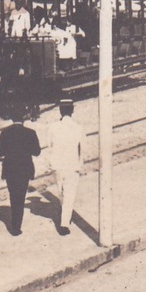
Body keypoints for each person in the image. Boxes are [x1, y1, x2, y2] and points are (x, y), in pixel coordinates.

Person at [0, 111, 41, 236]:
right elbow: (37, 152)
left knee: (13, 195)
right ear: (24, 119)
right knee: (20, 197)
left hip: (10, 169)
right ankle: (16, 227)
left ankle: (14, 225)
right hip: (24, 169)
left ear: (11, 119)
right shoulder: (30, 133)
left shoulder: (5, 133)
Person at [48, 100, 85, 235]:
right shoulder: (78, 127)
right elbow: (82, 148)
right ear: (72, 111)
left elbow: (49, 146)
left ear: (60, 111)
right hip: (72, 165)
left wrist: (51, 163)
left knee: (61, 192)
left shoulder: (53, 127)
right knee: (70, 194)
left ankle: (65, 217)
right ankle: (64, 223)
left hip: (58, 166)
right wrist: (80, 164)